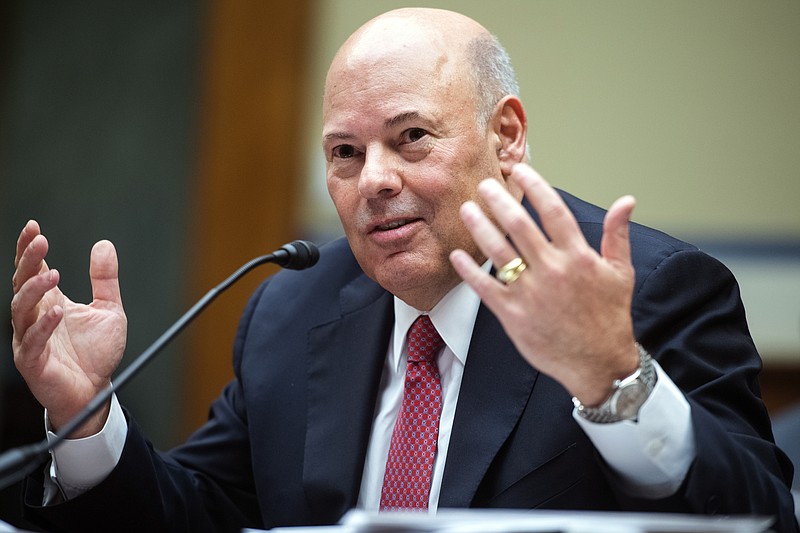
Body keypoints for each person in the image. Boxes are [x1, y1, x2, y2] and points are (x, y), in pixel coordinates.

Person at [10, 7, 798, 533]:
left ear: (508, 135)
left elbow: (761, 514)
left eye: (412, 136)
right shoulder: (291, 313)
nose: (374, 180)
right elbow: (204, 513)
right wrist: (85, 417)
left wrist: (614, 377)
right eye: (344, 153)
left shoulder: (645, 290)